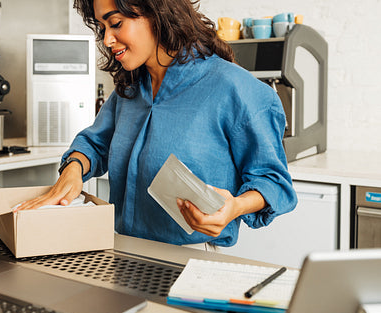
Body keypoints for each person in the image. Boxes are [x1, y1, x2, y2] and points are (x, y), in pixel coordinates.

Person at [18, 0, 297, 249]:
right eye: (102, 27)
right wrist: (73, 170)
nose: (107, 39)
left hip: (192, 261)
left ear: (157, 13)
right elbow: (94, 143)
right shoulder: (129, 90)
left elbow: (274, 183)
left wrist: (235, 206)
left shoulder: (237, 89)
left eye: (116, 23)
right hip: (122, 251)